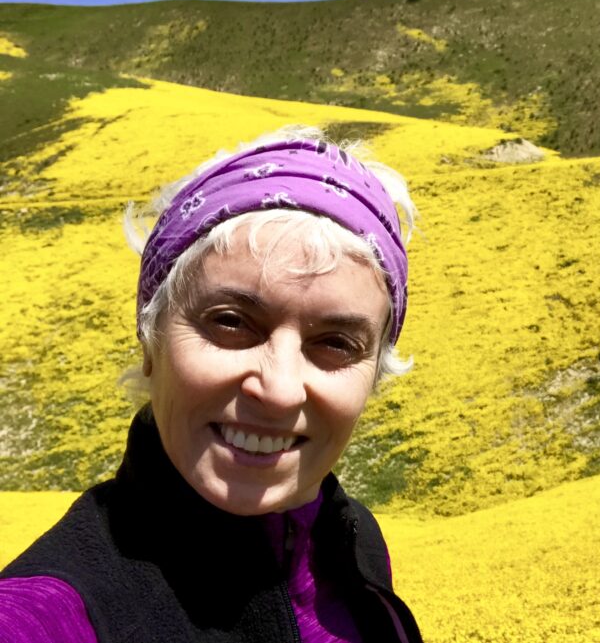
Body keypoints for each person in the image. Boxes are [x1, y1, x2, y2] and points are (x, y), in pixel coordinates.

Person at [0, 127, 424, 642]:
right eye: (230, 322)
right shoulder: (53, 611)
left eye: (336, 343)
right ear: (150, 341)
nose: (280, 389)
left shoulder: (355, 543)